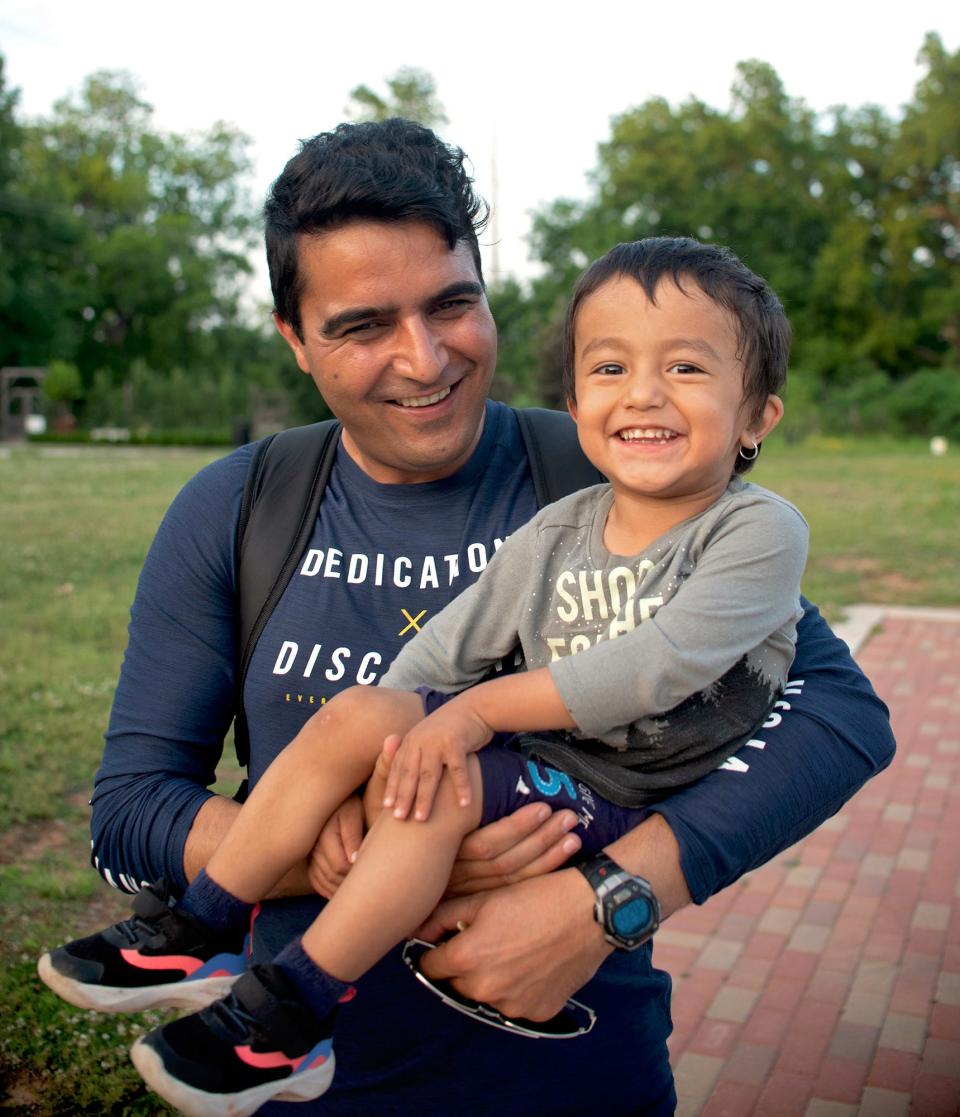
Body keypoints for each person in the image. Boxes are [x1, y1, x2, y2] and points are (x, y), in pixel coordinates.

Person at [51, 119, 893, 1116]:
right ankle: (272, 1012)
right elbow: (131, 814)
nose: (424, 358)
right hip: (304, 1096)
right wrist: (344, 838)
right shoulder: (238, 507)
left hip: (576, 1077)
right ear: (296, 339)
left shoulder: (605, 473)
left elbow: (840, 722)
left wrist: (608, 900)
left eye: (451, 304)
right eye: (364, 325)